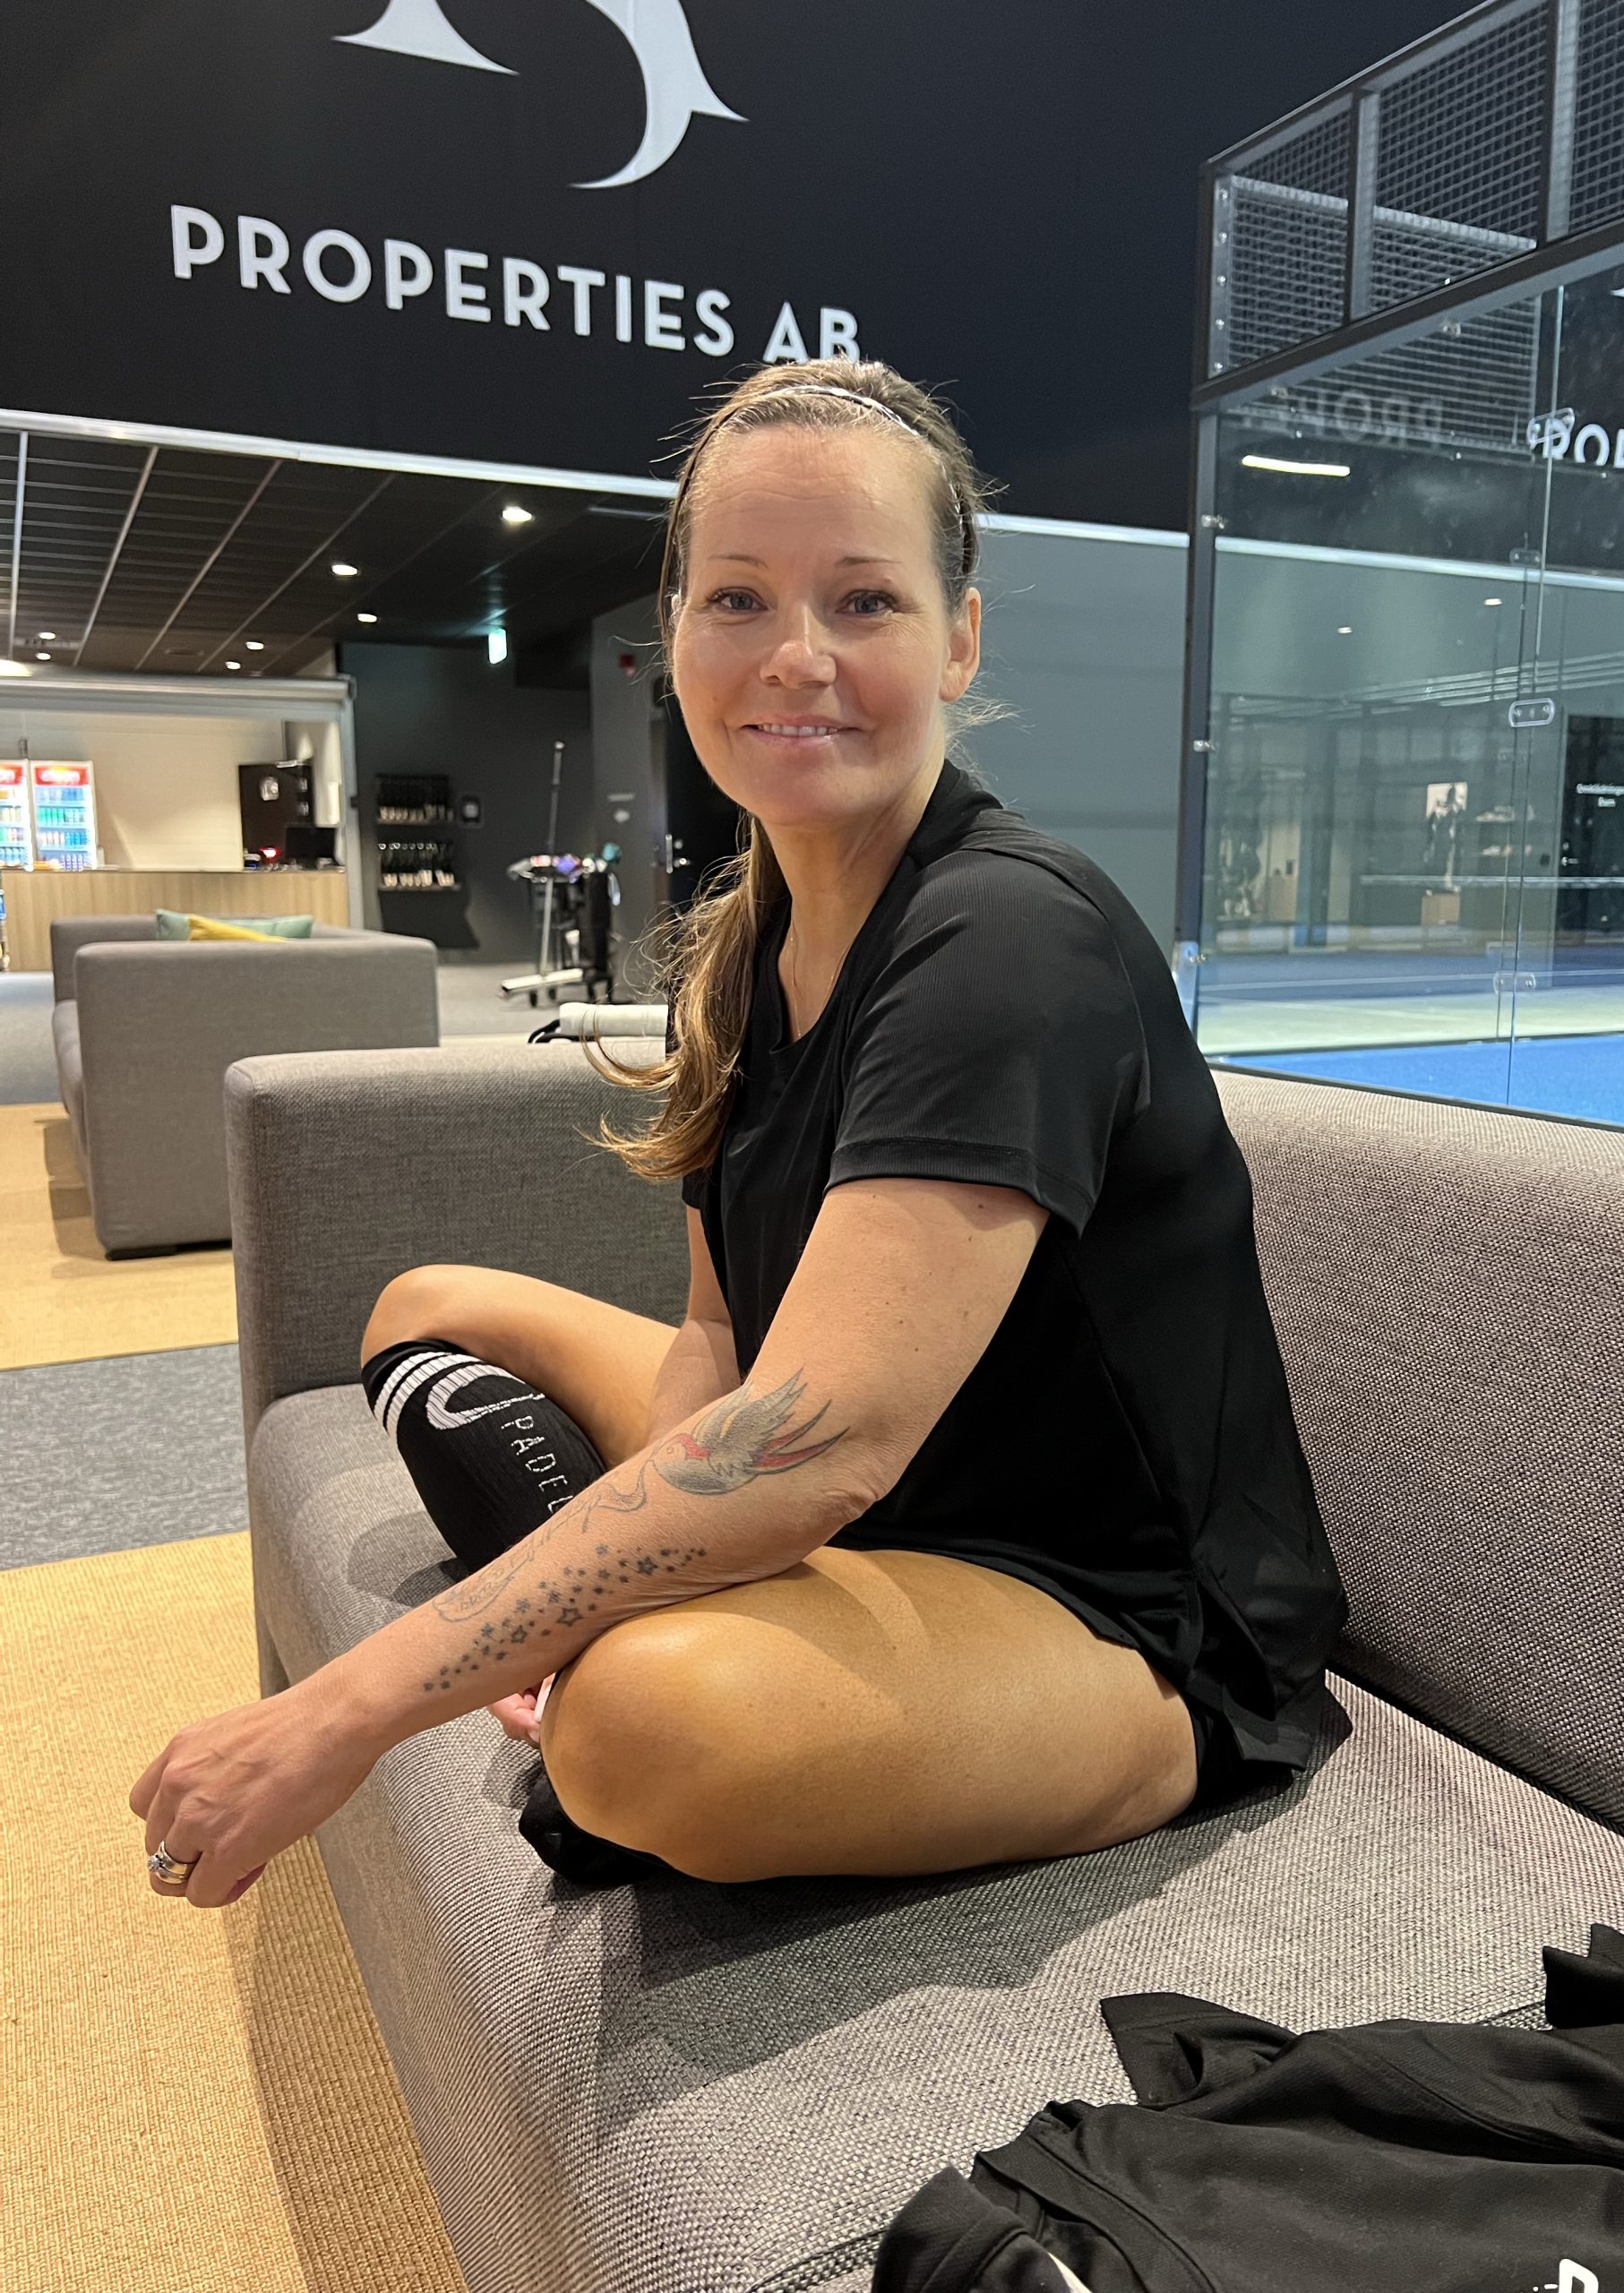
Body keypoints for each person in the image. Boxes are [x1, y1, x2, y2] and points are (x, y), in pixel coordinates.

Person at [130, 356, 1348, 1910]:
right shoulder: (751, 943)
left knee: (640, 1727)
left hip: (1110, 1607)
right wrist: (587, 1595)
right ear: (678, 636)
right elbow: (719, 1333)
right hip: (865, 1491)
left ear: (959, 638)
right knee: (425, 1306)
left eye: (865, 600)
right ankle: (633, 1603)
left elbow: (820, 1442)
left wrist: (347, 1707)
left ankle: (633, 1637)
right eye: (739, 600)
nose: (796, 657)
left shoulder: (1006, 940)